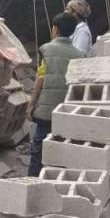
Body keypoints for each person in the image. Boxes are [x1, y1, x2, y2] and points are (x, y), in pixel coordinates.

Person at [27, 13, 85, 176]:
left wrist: (31, 103)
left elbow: (41, 77)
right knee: (61, 151)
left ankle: (32, 182)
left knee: (39, 149)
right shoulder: (80, 55)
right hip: (67, 112)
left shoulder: (46, 49)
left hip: (46, 112)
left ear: (55, 29)